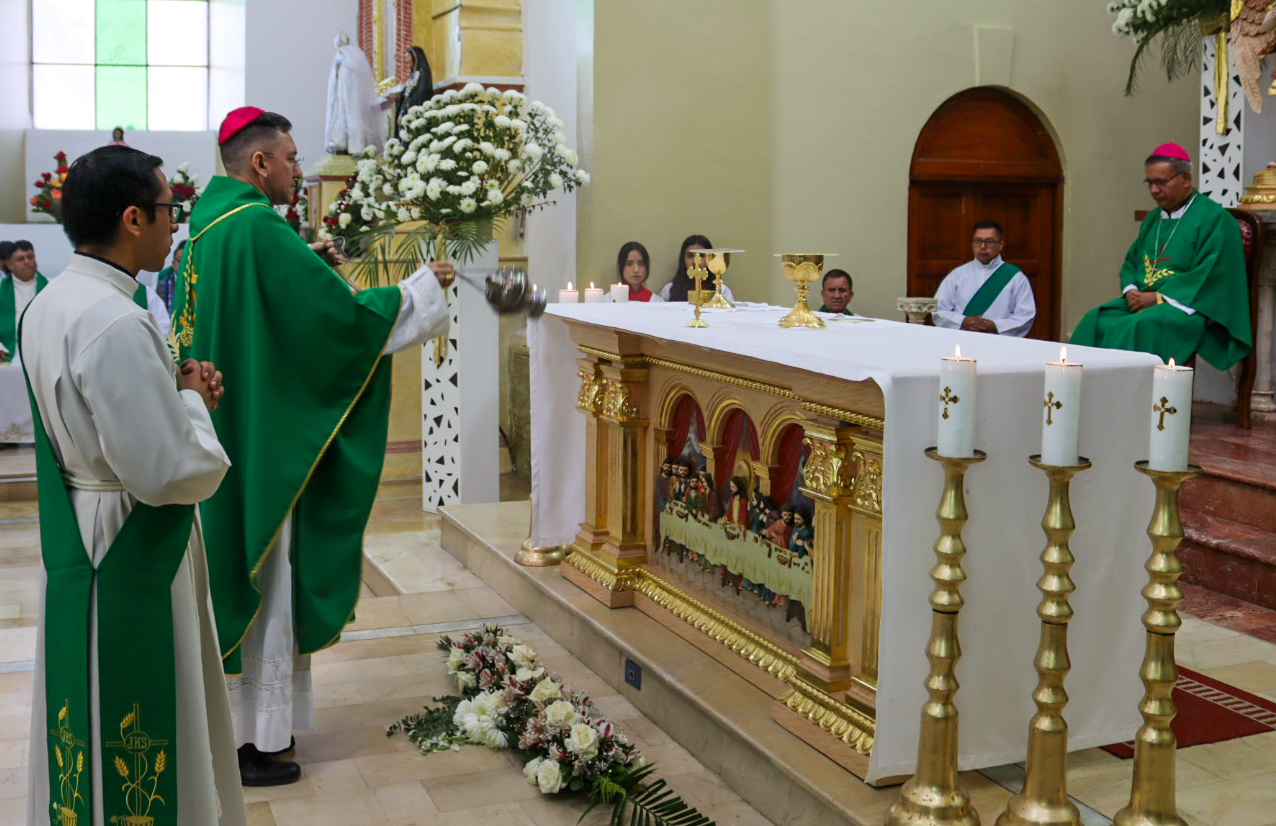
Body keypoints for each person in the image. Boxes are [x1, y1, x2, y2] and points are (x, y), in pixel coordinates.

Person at [172, 107, 452, 786]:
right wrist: (419, 292)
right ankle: (259, 742)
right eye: (291, 159)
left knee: (240, 574)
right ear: (259, 162)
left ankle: (236, 728)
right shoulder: (258, 227)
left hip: (225, 428)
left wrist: (313, 264)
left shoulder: (205, 229)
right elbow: (333, 327)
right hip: (264, 439)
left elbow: (268, 315)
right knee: (268, 580)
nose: (301, 171)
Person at [22, 144, 245, 825]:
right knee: (144, 721)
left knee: (81, 706)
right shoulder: (115, 320)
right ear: (130, 218)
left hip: (81, 530)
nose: (174, 223)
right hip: (128, 539)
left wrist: (171, 389)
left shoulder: (56, 300)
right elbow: (169, 472)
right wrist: (193, 402)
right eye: (166, 209)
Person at [1070, 143, 1252, 368]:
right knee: (1095, 319)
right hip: (1143, 302)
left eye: (1161, 182)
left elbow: (1212, 274)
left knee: (1138, 325)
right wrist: (1131, 291)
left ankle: (1136, 399)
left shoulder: (1215, 219)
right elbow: (1132, 261)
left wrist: (1159, 298)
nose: (1154, 190)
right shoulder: (1153, 219)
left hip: (1185, 309)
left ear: (1185, 178)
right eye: (1150, 183)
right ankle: (1088, 393)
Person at [932, 222, 1036, 337]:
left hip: (1000, 344)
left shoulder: (1016, 277)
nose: (982, 247)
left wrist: (996, 326)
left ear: (1001, 245)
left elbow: (1026, 316)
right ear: (972, 244)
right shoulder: (957, 275)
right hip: (962, 341)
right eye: (978, 241)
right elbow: (938, 310)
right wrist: (963, 321)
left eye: (989, 242)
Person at [0, 240, 48, 362]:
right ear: (9, 265)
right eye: (21, 259)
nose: (27, 262)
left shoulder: (51, 286)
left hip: (42, 354)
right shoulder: (1, 287)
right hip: (8, 353)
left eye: (30, 257)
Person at [659, 234, 736, 302]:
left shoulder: (722, 291)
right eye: (690, 256)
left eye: (701, 256)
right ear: (683, 259)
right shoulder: (669, 290)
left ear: (710, 259)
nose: (695, 262)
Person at [155, 238, 185, 313]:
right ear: (173, 263)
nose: (183, 265)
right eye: (180, 260)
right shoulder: (163, 284)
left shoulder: (197, 283)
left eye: (186, 261)